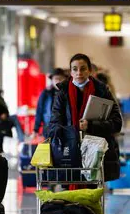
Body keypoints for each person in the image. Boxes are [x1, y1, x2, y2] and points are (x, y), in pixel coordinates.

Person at [48, 53, 122, 182]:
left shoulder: (102, 91)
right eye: (75, 69)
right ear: (70, 72)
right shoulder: (62, 93)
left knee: (92, 192)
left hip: (95, 154)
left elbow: (117, 123)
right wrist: (70, 132)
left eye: (83, 69)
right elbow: (53, 125)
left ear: (90, 70)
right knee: (69, 195)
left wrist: (91, 125)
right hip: (69, 153)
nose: (79, 73)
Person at [33, 68, 66, 138]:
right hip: (48, 127)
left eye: (61, 78)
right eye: (56, 78)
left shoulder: (68, 92)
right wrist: (35, 129)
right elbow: (39, 110)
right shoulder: (46, 93)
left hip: (65, 127)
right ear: (52, 80)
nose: (58, 81)